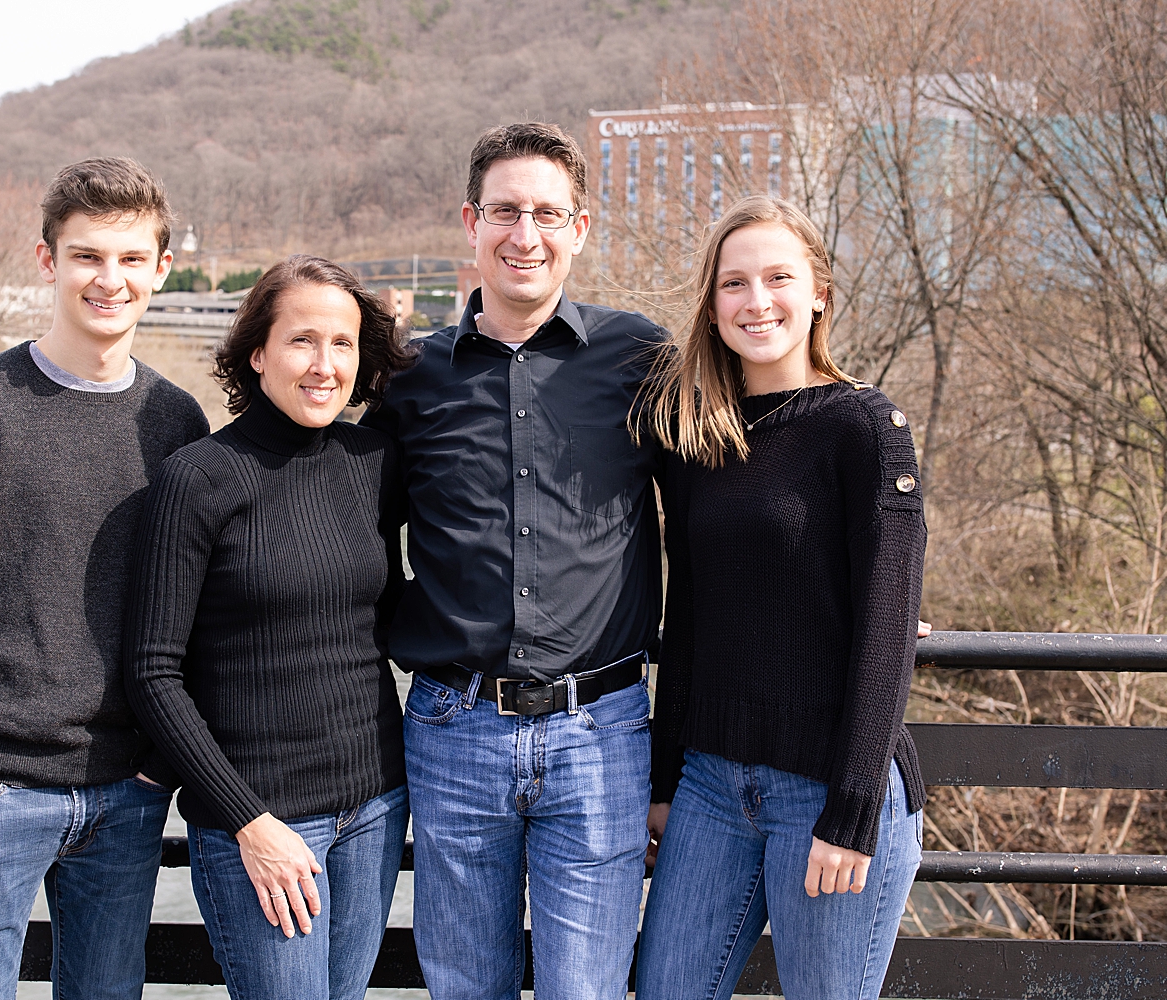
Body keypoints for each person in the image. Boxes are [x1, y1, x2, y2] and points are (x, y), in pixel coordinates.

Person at [0, 157, 210, 1000]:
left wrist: (159, 770)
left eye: (132, 259)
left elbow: (199, 611)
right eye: (88, 256)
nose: (110, 279)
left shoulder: (176, 421)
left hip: (127, 795)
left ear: (162, 269)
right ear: (47, 259)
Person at [360, 122, 664, 1000]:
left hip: (601, 732)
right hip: (454, 728)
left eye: (546, 213)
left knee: (586, 989)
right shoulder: (409, 377)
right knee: (464, 986)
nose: (523, 235)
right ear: (470, 221)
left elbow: (725, 510)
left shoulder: (638, 357)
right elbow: (351, 534)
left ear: (579, 228)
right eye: (504, 212)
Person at [634, 195, 926, 999]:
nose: (756, 301)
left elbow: (888, 626)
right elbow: (687, 617)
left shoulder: (865, 427)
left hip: (828, 787)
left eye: (778, 278)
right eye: (735, 284)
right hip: (711, 789)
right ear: (712, 303)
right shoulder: (699, 435)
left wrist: (853, 810)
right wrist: (664, 782)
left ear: (819, 290)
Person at [123, 255, 414, 1000]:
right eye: (302, 341)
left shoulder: (373, 462)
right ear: (258, 353)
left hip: (377, 804)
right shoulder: (199, 477)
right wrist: (248, 821)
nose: (325, 365)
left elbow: (378, 618)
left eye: (343, 344)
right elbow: (154, 671)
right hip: (263, 819)